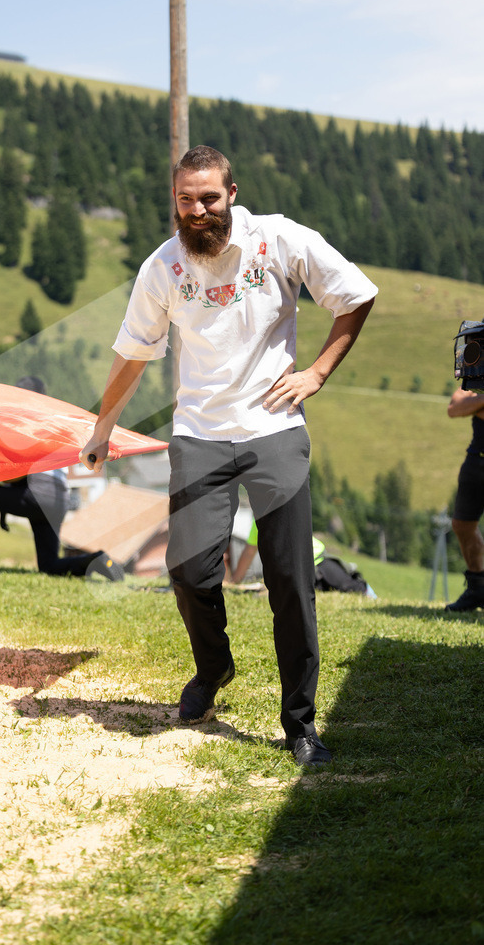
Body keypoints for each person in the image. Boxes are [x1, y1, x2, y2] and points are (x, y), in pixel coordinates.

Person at [80, 145, 377, 767]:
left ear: (232, 193)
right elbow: (133, 355)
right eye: (186, 200)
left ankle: (299, 723)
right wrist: (103, 425)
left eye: (209, 198)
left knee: (291, 578)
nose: (197, 211)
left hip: (274, 429)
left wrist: (318, 371)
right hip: (199, 434)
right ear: (175, 201)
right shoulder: (162, 268)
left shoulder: (280, 240)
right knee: (190, 570)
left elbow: (355, 295)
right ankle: (213, 669)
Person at [0, 376, 125, 580]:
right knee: (49, 564)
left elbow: (19, 472)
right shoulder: (53, 422)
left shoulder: (27, 423)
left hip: (38, 493)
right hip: (58, 499)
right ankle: (98, 560)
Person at [227, 521, 374, 596]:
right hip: (301, 572)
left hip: (319, 560)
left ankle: (374, 598)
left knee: (352, 587)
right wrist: (235, 582)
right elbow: (248, 552)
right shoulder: (258, 522)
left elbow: (248, 553)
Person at [445, 385, 484, 612]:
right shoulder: (477, 375)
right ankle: (477, 588)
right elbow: (454, 408)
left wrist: (477, 403)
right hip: (476, 460)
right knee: (462, 524)